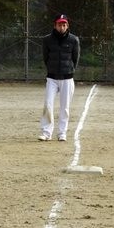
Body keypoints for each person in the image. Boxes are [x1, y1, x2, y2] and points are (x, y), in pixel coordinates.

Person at [39, 13, 80, 142]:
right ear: (55, 25)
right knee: (48, 104)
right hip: (52, 78)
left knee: (65, 107)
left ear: (67, 26)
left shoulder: (74, 40)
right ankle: (46, 133)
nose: (61, 27)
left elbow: (75, 58)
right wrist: (51, 69)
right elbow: (45, 57)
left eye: (64, 24)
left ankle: (62, 133)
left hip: (67, 78)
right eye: (59, 24)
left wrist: (69, 70)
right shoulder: (47, 40)